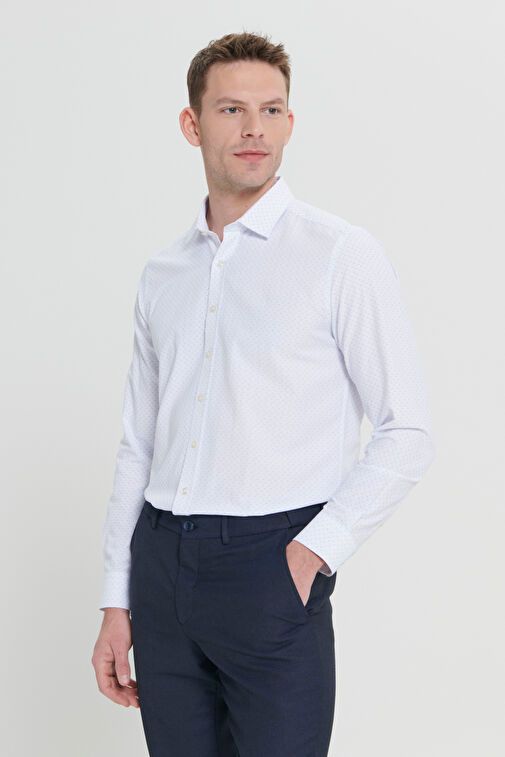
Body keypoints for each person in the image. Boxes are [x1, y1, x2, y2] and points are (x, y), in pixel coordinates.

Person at [92, 30, 436, 757]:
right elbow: (139, 444)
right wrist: (117, 599)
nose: (254, 128)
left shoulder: (339, 255)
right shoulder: (163, 274)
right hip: (161, 564)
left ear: (289, 122)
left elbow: (407, 430)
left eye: (271, 110)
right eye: (231, 110)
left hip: (270, 564)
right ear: (192, 125)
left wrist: (312, 553)